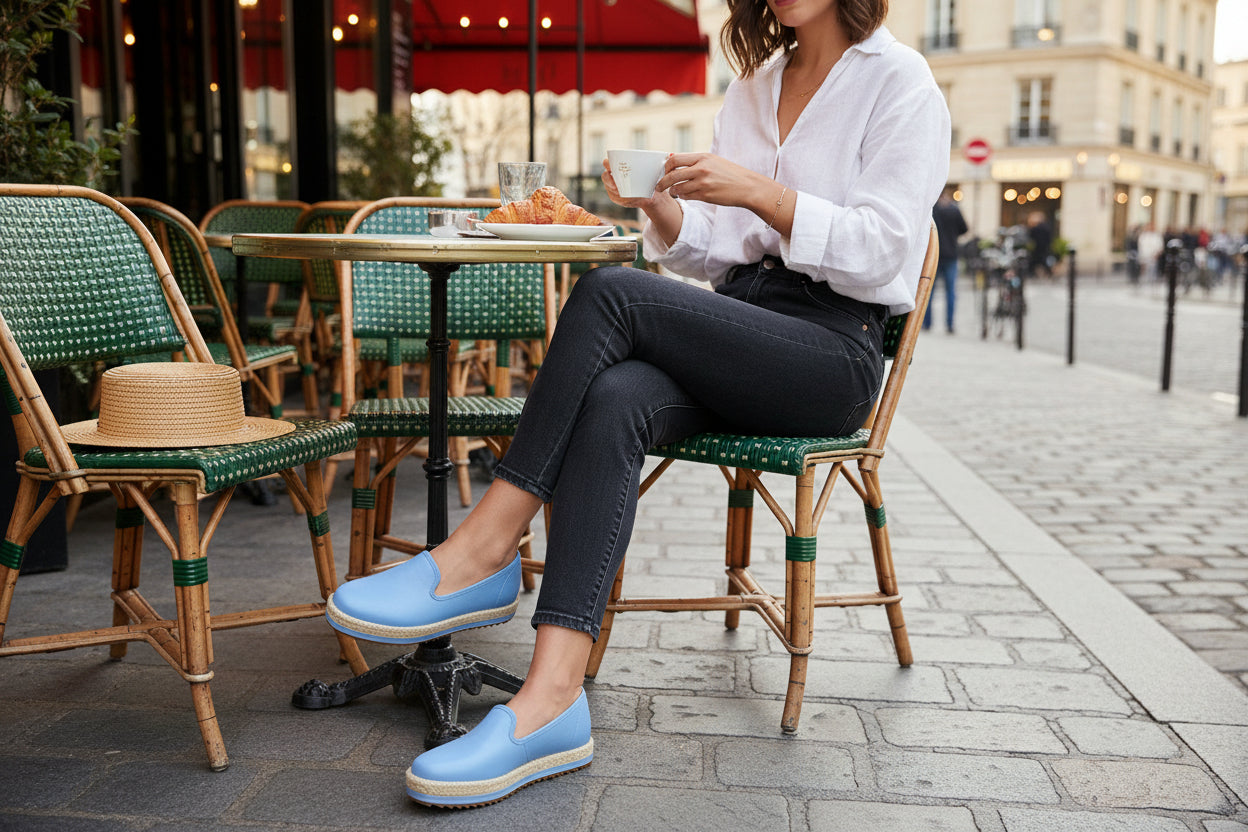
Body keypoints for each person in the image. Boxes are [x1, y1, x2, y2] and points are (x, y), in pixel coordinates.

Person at [324, 0, 949, 809]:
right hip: (745, 324)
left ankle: (483, 548)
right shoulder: (755, 85)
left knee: (612, 292)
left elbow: (884, 251)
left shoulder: (900, 80)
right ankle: (551, 700)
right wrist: (660, 207)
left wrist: (762, 191)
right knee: (616, 394)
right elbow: (718, 253)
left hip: (831, 353)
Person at [924, 186, 968, 333]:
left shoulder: (932, 210)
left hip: (933, 256)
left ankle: (927, 324)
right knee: (950, 292)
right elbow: (964, 229)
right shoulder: (954, 210)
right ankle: (949, 324)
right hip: (951, 255)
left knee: (929, 291)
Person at [1025, 210, 1053, 279]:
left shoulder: (1035, 228)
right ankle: (1048, 273)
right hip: (1044, 248)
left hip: (1038, 248)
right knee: (1041, 262)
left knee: (1035, 261)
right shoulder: (1046, 227)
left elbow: (1030, 238)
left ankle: (1032, 274)